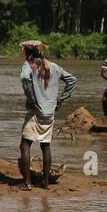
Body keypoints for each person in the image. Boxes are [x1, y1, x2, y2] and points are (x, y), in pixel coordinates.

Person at [18, 41, 77, 190]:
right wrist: (60, 100)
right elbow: (72, 80)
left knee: (25, 145)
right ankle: (45, 182)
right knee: (45, 145)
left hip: (35, 111)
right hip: (50, 112)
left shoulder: (29, 65)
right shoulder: (54, 66)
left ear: (28, 52)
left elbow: (25, 78)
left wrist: (31, 99)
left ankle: (27, 183)